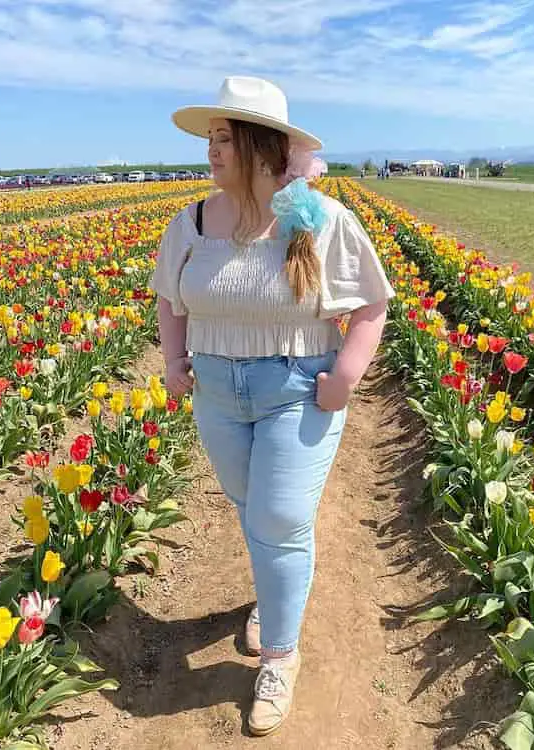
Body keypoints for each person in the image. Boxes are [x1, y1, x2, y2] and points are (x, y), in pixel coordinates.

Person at [150, 76, 395, 737]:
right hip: (219, 395)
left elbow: (372, 304)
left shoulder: (319, 223)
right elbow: (170, 298)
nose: (211, 150)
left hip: (298, 389)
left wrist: (345, 375)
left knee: (281, 517)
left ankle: (279, 657)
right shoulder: (194, 222)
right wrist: (174, 360)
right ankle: (274, 592)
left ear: (263, 147)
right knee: (249, 504)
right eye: (210, 139)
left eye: (223, 138)